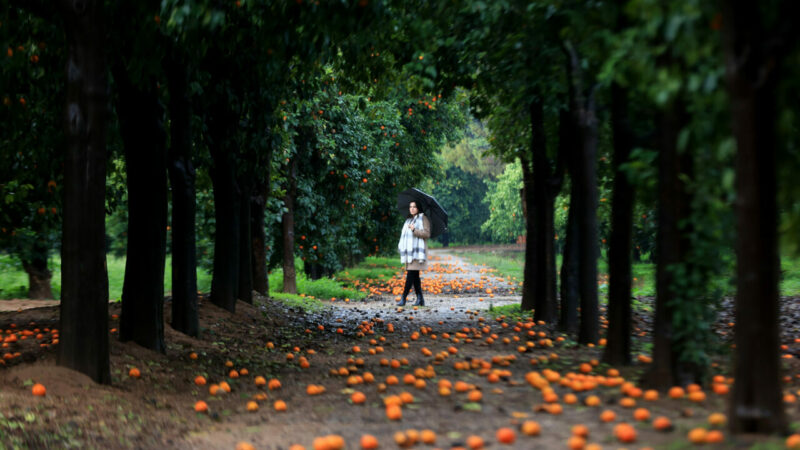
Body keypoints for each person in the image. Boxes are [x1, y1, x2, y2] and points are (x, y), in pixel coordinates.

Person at [397, 201, 430, 306]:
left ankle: (403, 298)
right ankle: (420, 299)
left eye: (414, 207)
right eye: (410, 207)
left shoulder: (423, 218)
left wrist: (414, 230)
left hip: (417, 252)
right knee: (415, 276)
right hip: (409, 252)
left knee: (410, 274)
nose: (412, 209)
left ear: (418, 208)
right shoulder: (408, 220)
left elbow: (427, 234)